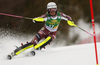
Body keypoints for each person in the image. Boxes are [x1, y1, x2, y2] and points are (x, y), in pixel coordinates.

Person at [8, 2, 76, 59]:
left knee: (50, 38)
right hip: (43, 31)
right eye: (50, 10)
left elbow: (68, 17)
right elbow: (40, 18)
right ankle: (14, 53)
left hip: (52, 33)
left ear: (56, 9)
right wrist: (35, 20)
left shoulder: (59, 15)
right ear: (48, 10)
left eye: (54, 10)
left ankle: (35, 49)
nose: (52, 12)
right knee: (32, 43)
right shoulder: (46, 16)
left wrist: (70, 21)